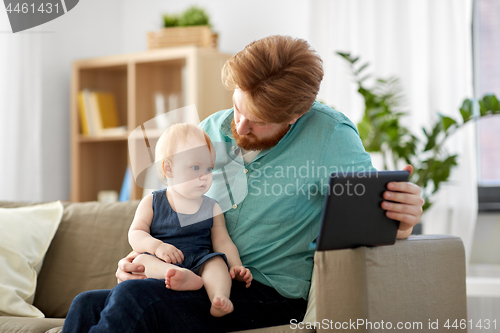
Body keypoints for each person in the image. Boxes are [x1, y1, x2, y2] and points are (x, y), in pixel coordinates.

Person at [63, 35, 424, 333]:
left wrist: (404, 219)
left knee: (132, 303)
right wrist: (140, 261)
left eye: (259, 120)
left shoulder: (330, 136)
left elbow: (371, 220)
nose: (240, 126)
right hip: (194, 278)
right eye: (238, 107)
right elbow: (168, 211)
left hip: (267, 295)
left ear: (297, 115)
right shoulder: (209, 130)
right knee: (85, 305)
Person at [128, 123, 252, 318]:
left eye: (209, 168)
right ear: (168, 168)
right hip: (162, 261)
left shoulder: (211, 207)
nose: (204, 177)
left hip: (199, 260)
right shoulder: (152, 202)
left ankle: (219, 298)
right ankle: (179, 276)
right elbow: (135, 234)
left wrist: (236, 265)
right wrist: (157, 247)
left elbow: (222, 241)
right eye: (195, 167)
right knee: (142, 260)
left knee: (217, 263)